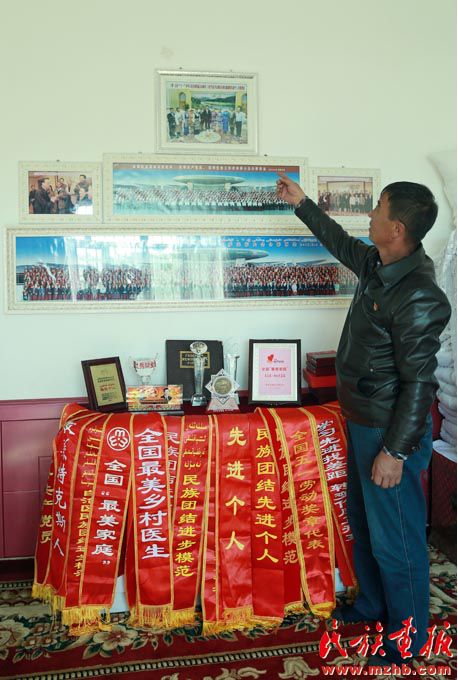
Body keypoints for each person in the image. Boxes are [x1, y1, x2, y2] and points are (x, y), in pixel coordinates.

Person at [276, 173, 451, 668]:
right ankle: (374, 606)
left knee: (398, 540)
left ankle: (408, 640)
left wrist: (394, 452)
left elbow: (419, 385)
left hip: (388, 431)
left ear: (396, 228)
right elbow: (338, 241)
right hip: (362, 420)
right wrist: (303, 204)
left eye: (378, 208)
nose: (370, 214)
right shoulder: (379, 263)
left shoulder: (419, 295)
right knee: (366, 525)